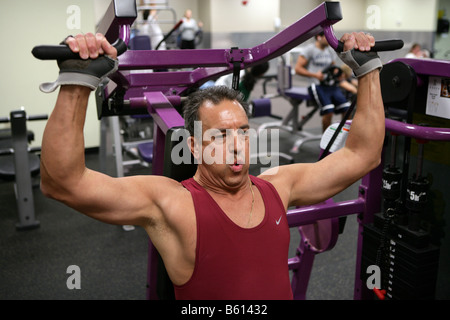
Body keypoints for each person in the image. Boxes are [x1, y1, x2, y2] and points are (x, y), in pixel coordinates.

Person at [39, 31, 384, 300]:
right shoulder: (173, 203)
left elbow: (362, 155)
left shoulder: (279, 185)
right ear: (193, 146)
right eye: (219, 136)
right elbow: (64, 183)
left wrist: (367, 70)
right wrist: (76, 82)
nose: (236, 146)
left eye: (243, 133)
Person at [294, 32, 352, 132]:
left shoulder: (330, 50)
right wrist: (315, 75)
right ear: (319, 37)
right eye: (327, 37)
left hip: (330, 85)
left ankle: (345, 137)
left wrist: (338, 74)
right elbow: (298, 69)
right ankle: (325, 141)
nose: (330, 38)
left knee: (347, 108)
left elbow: (332, 67)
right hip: (316, 85)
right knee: (328, 111)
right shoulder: (309, 50)